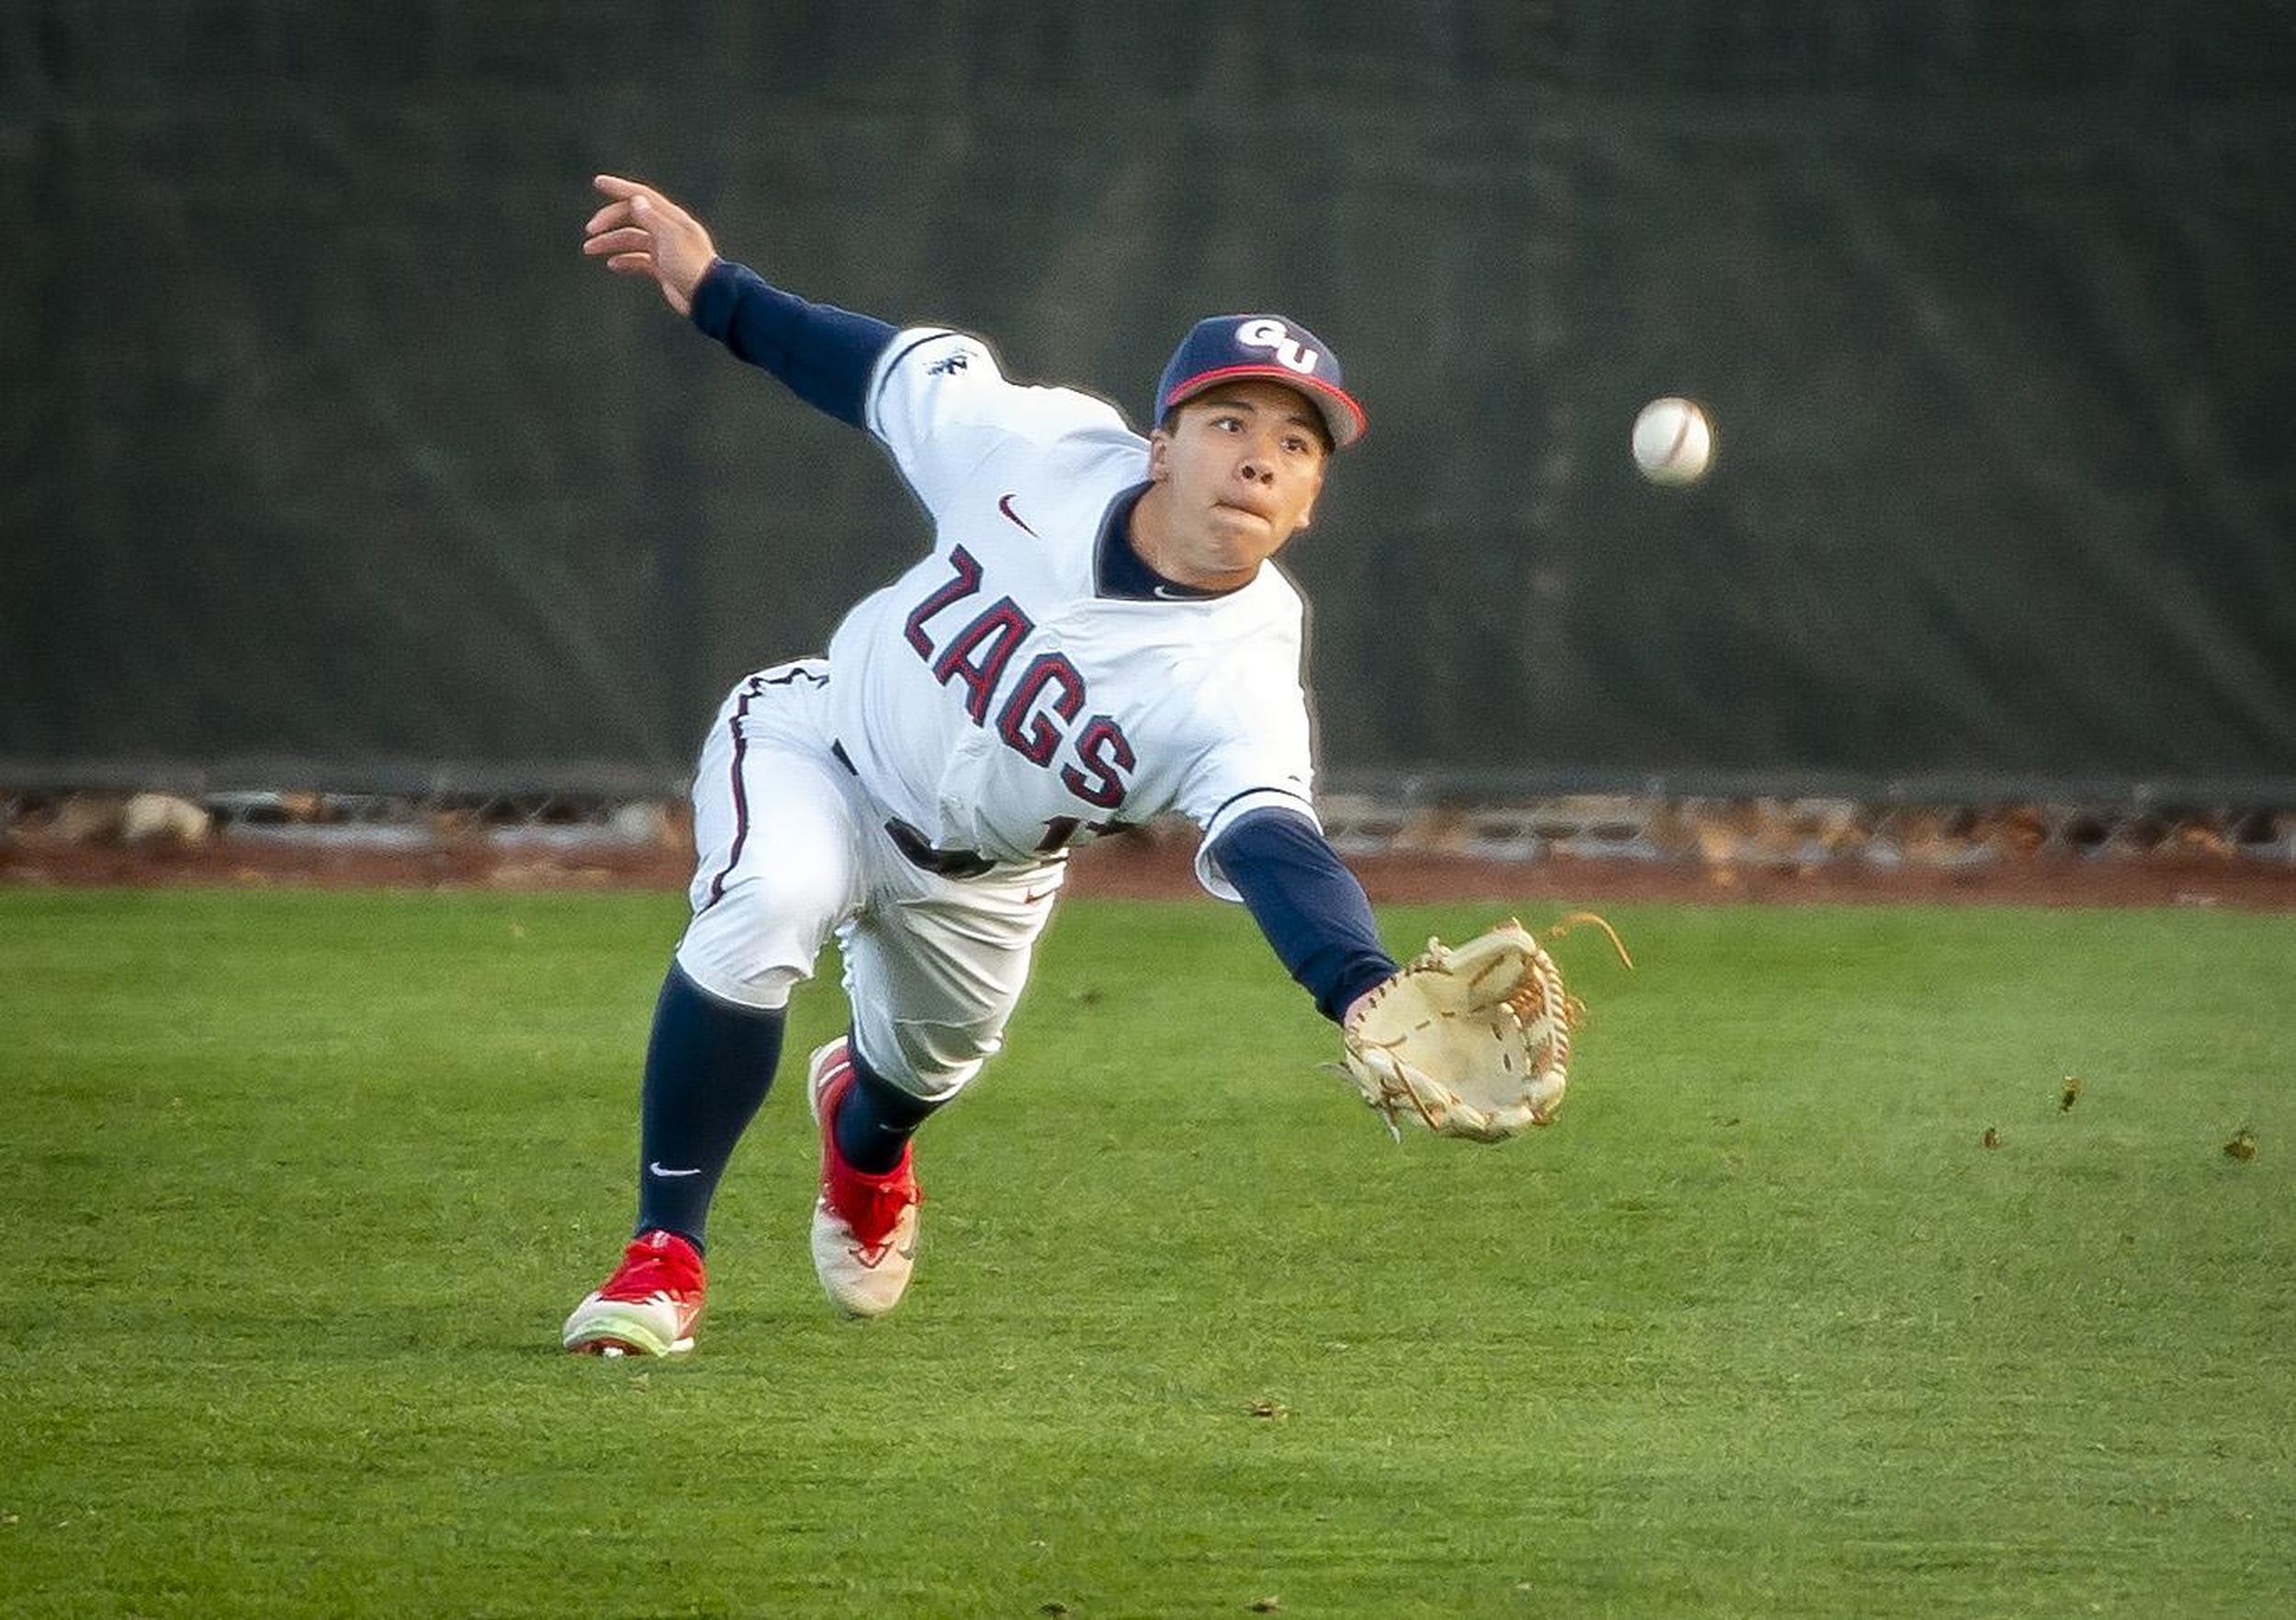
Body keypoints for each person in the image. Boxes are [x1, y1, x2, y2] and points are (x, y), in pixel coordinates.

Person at [563, 174, 1401, 1356]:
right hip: (821, 748)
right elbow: (876, 373)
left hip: (985, 878)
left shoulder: (1241, 675)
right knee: (763, 904)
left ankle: (862, 1136)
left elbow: (1273, 842)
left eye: (1295, 442)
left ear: (1311, 500)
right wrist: (712, 289)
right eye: (1230, 423)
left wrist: (1358, 981)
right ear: (1159, 445)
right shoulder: (1039, 445)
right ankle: (663, 1255)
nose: (1259, 458)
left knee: (922, 1071)